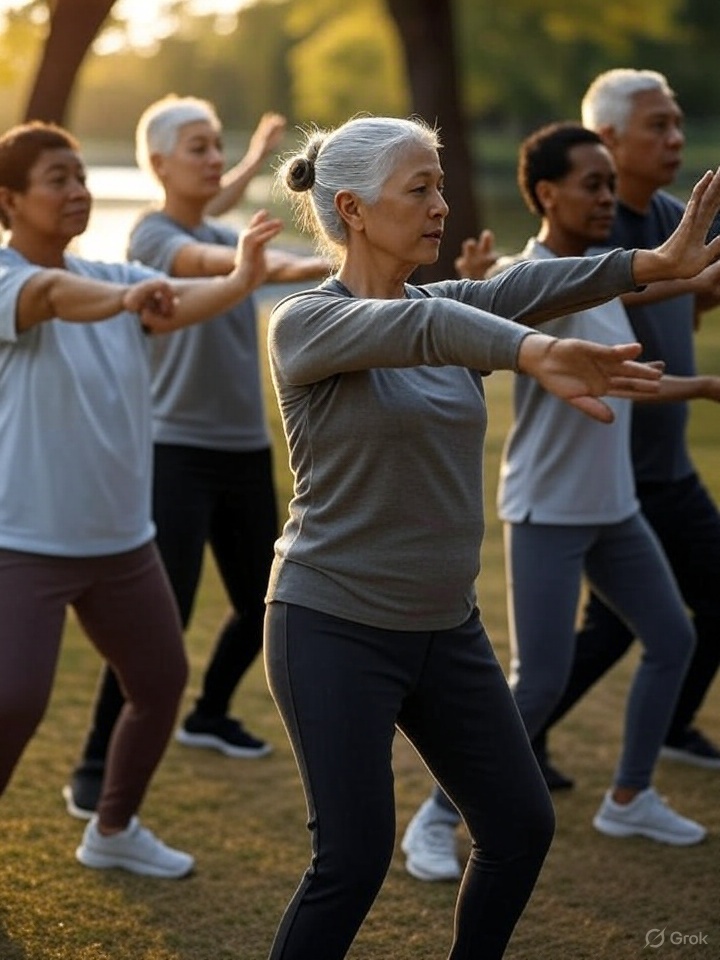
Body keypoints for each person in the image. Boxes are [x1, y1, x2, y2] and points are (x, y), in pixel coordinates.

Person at [262, 114, 720, 960]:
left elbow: (526, 287)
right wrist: (532, 353)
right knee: (352, 863)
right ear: (354, 210)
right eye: (421, 189)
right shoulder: (305, 324)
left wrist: (650, 264)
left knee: (518, 827)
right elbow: (425, 333)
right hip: (332, 624)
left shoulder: (446, 303)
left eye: (440, 184)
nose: (441, 204)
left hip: (445, 628)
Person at [401, 121, 719, 882]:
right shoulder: (533, 277)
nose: (610, 197)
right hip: (547, 510)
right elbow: (493, 322)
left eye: (613, 184)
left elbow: (625, 375)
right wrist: (480, 288)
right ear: (546, 193)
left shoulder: (593, 274)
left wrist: (704, 378)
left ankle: (630, 795)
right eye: (593, 184)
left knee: (672, 639)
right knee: (537, 681)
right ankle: (436, 817)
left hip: (613, 508)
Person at [0, 120, 282, 877]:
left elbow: (181, 302)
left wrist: (241, 280)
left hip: (121, 543)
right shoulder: (9, 280)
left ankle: (113, 827)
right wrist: (134, 299)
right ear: (9, 200)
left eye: (79, 177)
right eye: (56, 179)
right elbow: (54, 295)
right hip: (24, 541)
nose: (77, 191)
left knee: (160, 685)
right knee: (12, 704)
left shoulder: (118, 280)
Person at [62, 96, 330, 819]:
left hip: (242, 452)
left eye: (219, 147)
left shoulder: (219, 222)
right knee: (159, 618)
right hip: (173, 452)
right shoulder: (152, 237)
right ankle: (93, 764)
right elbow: (210, 260)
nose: (214, 159)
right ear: (158, 165)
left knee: (262, 604)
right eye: (198, 148)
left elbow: (222, 225)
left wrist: (250, 165)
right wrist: (300, 263)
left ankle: (209, 711)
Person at [532, 69, 720, 785]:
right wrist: (702, 380)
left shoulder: (683, 216)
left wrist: (698, 304)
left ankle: (661, 735)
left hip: (667, 467)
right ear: (604, 140)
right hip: (615, 471)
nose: (674, 139)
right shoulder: (588, 235)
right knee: (610, 631)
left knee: (672, 616)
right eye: (657, 126)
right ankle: (514, 751)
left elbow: (683, 302)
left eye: (678, 124)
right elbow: (628, 302)